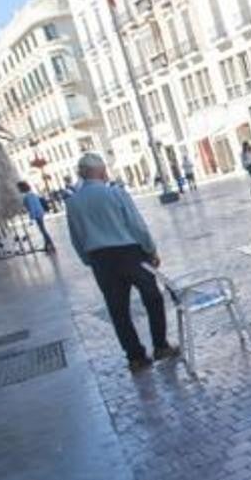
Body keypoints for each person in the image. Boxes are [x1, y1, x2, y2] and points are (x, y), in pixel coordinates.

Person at [65, 153, 179, 373]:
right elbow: (136, 225)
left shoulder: (73, 203)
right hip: (129, 253)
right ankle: (160, 345)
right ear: (100, 171)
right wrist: (150, 249)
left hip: (100, 259)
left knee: (118, 310)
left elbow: (76, 237)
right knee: (152, 297)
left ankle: (135, 356)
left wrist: (89, 260)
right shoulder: (115, 193)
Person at [17, 181, 55, 253]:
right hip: (40, 213)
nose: (18, 190)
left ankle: (51, 244)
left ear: (22, 188)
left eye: (19, 188)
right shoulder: (32, 194)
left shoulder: (27, 197)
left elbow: (32, 207)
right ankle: (47, 244)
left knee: (43, 230)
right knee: (42, 229)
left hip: (37, 214)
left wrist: (31, 218)